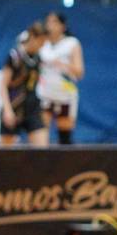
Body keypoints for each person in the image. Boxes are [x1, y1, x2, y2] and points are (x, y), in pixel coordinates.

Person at [37, 11, 84, 144]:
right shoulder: (42, 42)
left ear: (63, 26)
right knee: (40, 135)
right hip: (44, 95)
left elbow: (80, 72)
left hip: (65, 95)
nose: (50, 25)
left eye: (54, 22)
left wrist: (61, 64)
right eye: (48, 21)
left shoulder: (72, 43)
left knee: (64, 138)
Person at [0, 23, 49, 146]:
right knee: (4, 153)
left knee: (43, 150)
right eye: (41, 41)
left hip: (32, 106)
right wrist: (7, 110)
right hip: (14, 104)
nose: (42, 45)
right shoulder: (14, 56)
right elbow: (3, 85)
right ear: (32, 37)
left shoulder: (38, 57)